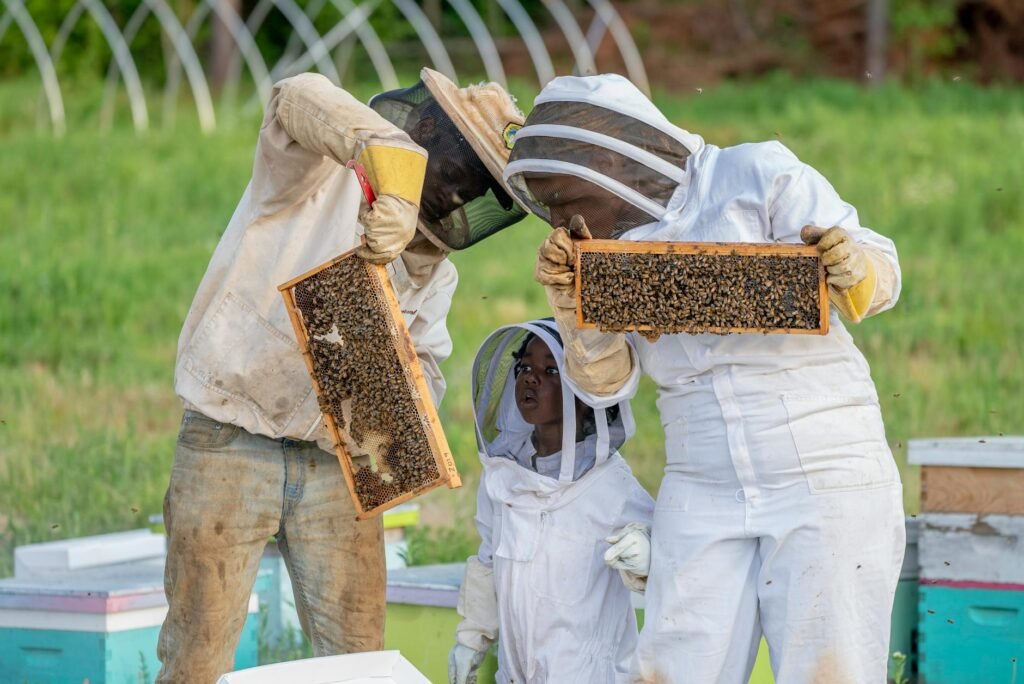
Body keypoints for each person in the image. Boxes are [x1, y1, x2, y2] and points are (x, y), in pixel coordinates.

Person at [503, 74, 906, 684]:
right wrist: (573, 308)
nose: (560, 219)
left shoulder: (752, 174)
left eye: (563, 198)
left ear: (610, 162)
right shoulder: (604, 252)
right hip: (701, 476)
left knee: (831, 669)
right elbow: (608, 387)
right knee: (675, 667)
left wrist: (852, 266)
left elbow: (883, 274)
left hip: (821, 458)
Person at [158, 68, 527, 683]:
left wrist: (396, 394)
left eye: (475, 187)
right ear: (428, 129)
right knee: (196, 659)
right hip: (229, 440)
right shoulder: (311, 176)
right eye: (461, 171)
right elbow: (294, 94)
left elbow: (426, 376)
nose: (460, 193)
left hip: (338, 472)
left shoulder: (436, 273)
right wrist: (395, 174)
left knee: (361, 664)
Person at [449, 319, 655, 684]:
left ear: (585, 391)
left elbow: (672, 562)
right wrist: (471, 638)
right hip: (514, 675)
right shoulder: (503, 476)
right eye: (525, 367)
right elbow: (488, 561)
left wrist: (648, 555)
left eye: (550, 370)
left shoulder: (610, 485)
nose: (531, 378)